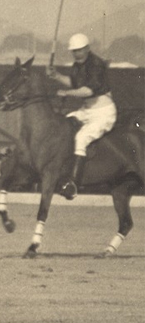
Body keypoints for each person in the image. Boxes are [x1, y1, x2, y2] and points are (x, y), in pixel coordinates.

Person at [46, 33, 116, 199]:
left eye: (79, 51)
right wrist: (56, 76)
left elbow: (88, 90)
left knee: (82, 138)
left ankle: (73, 185)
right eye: (74, 51)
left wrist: (66, 93)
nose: (76, 54)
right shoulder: (77, 65)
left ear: (87, 49)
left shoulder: (96, 64)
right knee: (63, 125)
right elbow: (74, 83)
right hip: (86, 111)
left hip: (103, 112)